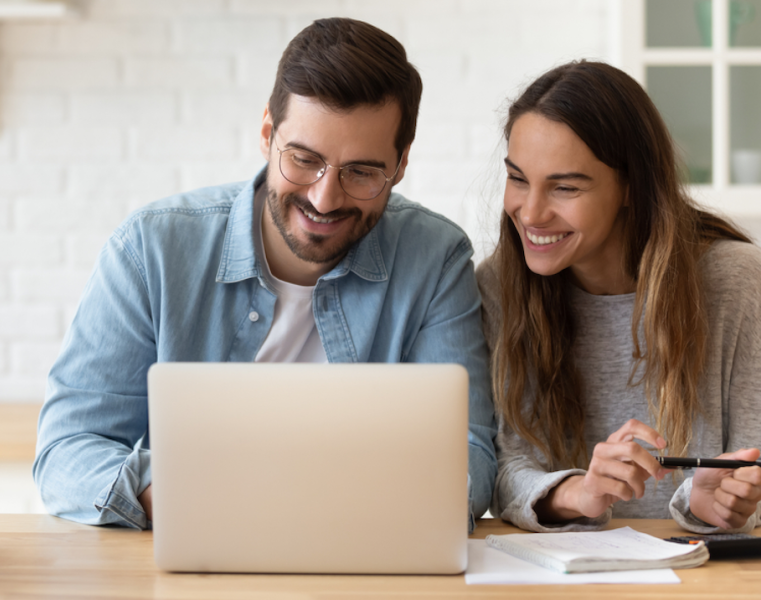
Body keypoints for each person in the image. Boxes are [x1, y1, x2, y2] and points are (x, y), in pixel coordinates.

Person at [34, 17, 497, 530]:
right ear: (266, 135)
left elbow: (468, 454)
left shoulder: (436, 259)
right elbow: (66, 450)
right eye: (304, 159)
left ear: (401, 163)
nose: (325, 197)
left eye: (361, 172)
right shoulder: (151, 250)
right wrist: (172, 494)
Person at [476, 60, 761, 534]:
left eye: (565, 187)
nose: (531, 212)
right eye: (518, 178)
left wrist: (721, 499)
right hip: (560, 575)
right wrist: (581, 493)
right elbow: (506, 469)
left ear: (632, 187)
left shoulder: (736, 280)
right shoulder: (499, 284)